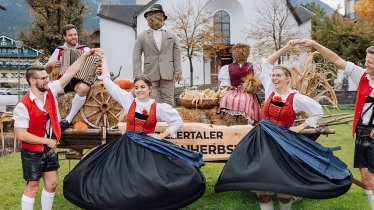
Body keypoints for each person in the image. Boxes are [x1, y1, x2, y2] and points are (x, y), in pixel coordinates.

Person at [215, 40, 352, 210]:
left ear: (288, 78)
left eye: (279, 75)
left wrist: (301, 126)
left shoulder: (296, 98)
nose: (274, 78)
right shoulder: (270, 90)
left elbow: (317, 111)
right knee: (261, 184)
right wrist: (287, 47)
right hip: (262, 139)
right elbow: (267, 63)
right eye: (273, 75)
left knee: (284, 185)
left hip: (283, 141)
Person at [63, 49, 205, 210]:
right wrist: (103, 57)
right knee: (117, 175)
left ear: (150, 89)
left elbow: (177, 121)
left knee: (152, 177)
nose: (139, 90)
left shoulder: (158, 107)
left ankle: (150, 201)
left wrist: (161, 135)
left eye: (142, 87)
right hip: (128, 144)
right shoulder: (129, 101)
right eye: (136, 87)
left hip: (148, 144)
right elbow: (108, 82)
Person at [13, 49, 97, 210]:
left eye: (47, 77)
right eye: (43, 78)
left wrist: (85, 56)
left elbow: (70, 73)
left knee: (52, 184)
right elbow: (21, 134)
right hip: (32, 151)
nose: (48, 79)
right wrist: (47, 141)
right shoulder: (23, 105)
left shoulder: (50, 91)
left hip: (48, 148)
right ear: (32, 81)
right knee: (32, 186)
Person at [299, 39, 374, 209]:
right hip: (363, 132)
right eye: (366, 60)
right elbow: (336, 60)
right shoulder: (361, 75)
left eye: (370, 62)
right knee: (367, 178)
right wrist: (314, 44)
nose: (366, 64)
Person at [133, 4, 183, 106]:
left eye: (157, 16)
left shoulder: (171, 35)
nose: (154, 19)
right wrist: (138, 75)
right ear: (149, 18)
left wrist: (178, 71)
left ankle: (168, 121)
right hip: (149, 74)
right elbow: (136, 56)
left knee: (168, 101)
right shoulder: (142, 36)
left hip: (168, 73)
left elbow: (177, 53)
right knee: (152, 101)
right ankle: (154, 121)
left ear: (162, 18)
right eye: (152, 16)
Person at [45, 24, 90, 130]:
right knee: (48, 90)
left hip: (78, 81)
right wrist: (50, 65)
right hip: (62, 82)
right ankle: (58, 120)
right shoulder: (59, 51)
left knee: (84, 88)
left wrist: (97, 68)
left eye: (75, 34)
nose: (74, 37)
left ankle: (68, 120)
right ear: (64, 37)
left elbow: (95, 64)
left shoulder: (85, 49)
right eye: (70, 35)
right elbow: (46, 71)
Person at [217, 43, 261, 124]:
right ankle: (230, 121)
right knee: (226, 98)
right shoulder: (227, 68)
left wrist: (253, 87)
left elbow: (258, 81)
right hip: (233, 90)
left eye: (242, 52)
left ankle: (245, 121)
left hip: (248, 91)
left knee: (245, 99)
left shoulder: (253, 66)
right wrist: (221, 93)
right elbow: (225, 84)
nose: (240, 54)